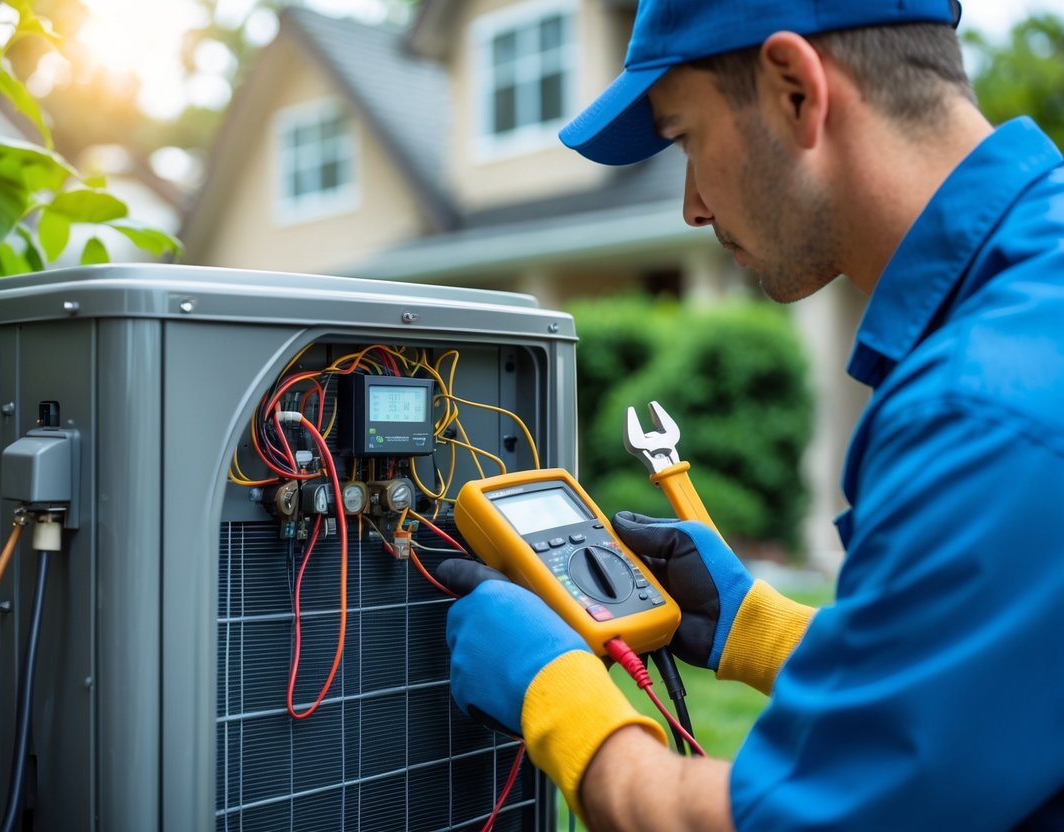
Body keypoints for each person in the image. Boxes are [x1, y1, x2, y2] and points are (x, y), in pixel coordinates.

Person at [438, 0, 1064, 829]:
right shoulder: (1031, 298)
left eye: (686, 139)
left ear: (795, 91)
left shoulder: (981, 407)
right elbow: (1006, 690)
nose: (691, 205)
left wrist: (557, 698)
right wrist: (761, 630)